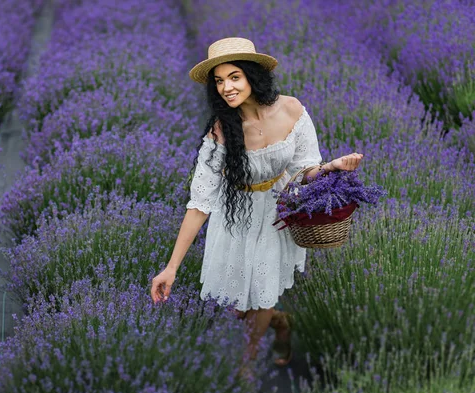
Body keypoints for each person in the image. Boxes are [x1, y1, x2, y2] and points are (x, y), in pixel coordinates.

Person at [150, 37, 363, 374]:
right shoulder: (221, 132)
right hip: (234, 215)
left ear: (252, 76)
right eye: (218, 81)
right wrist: (171, 267)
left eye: (234, 77)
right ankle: (281, 321)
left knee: (261, 294)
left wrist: (332, 167)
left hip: (276, 211)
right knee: (237, 304)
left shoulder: (291, 109)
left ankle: (245, 366)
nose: (226, 88)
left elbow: (303, 170)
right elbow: (200, 202)